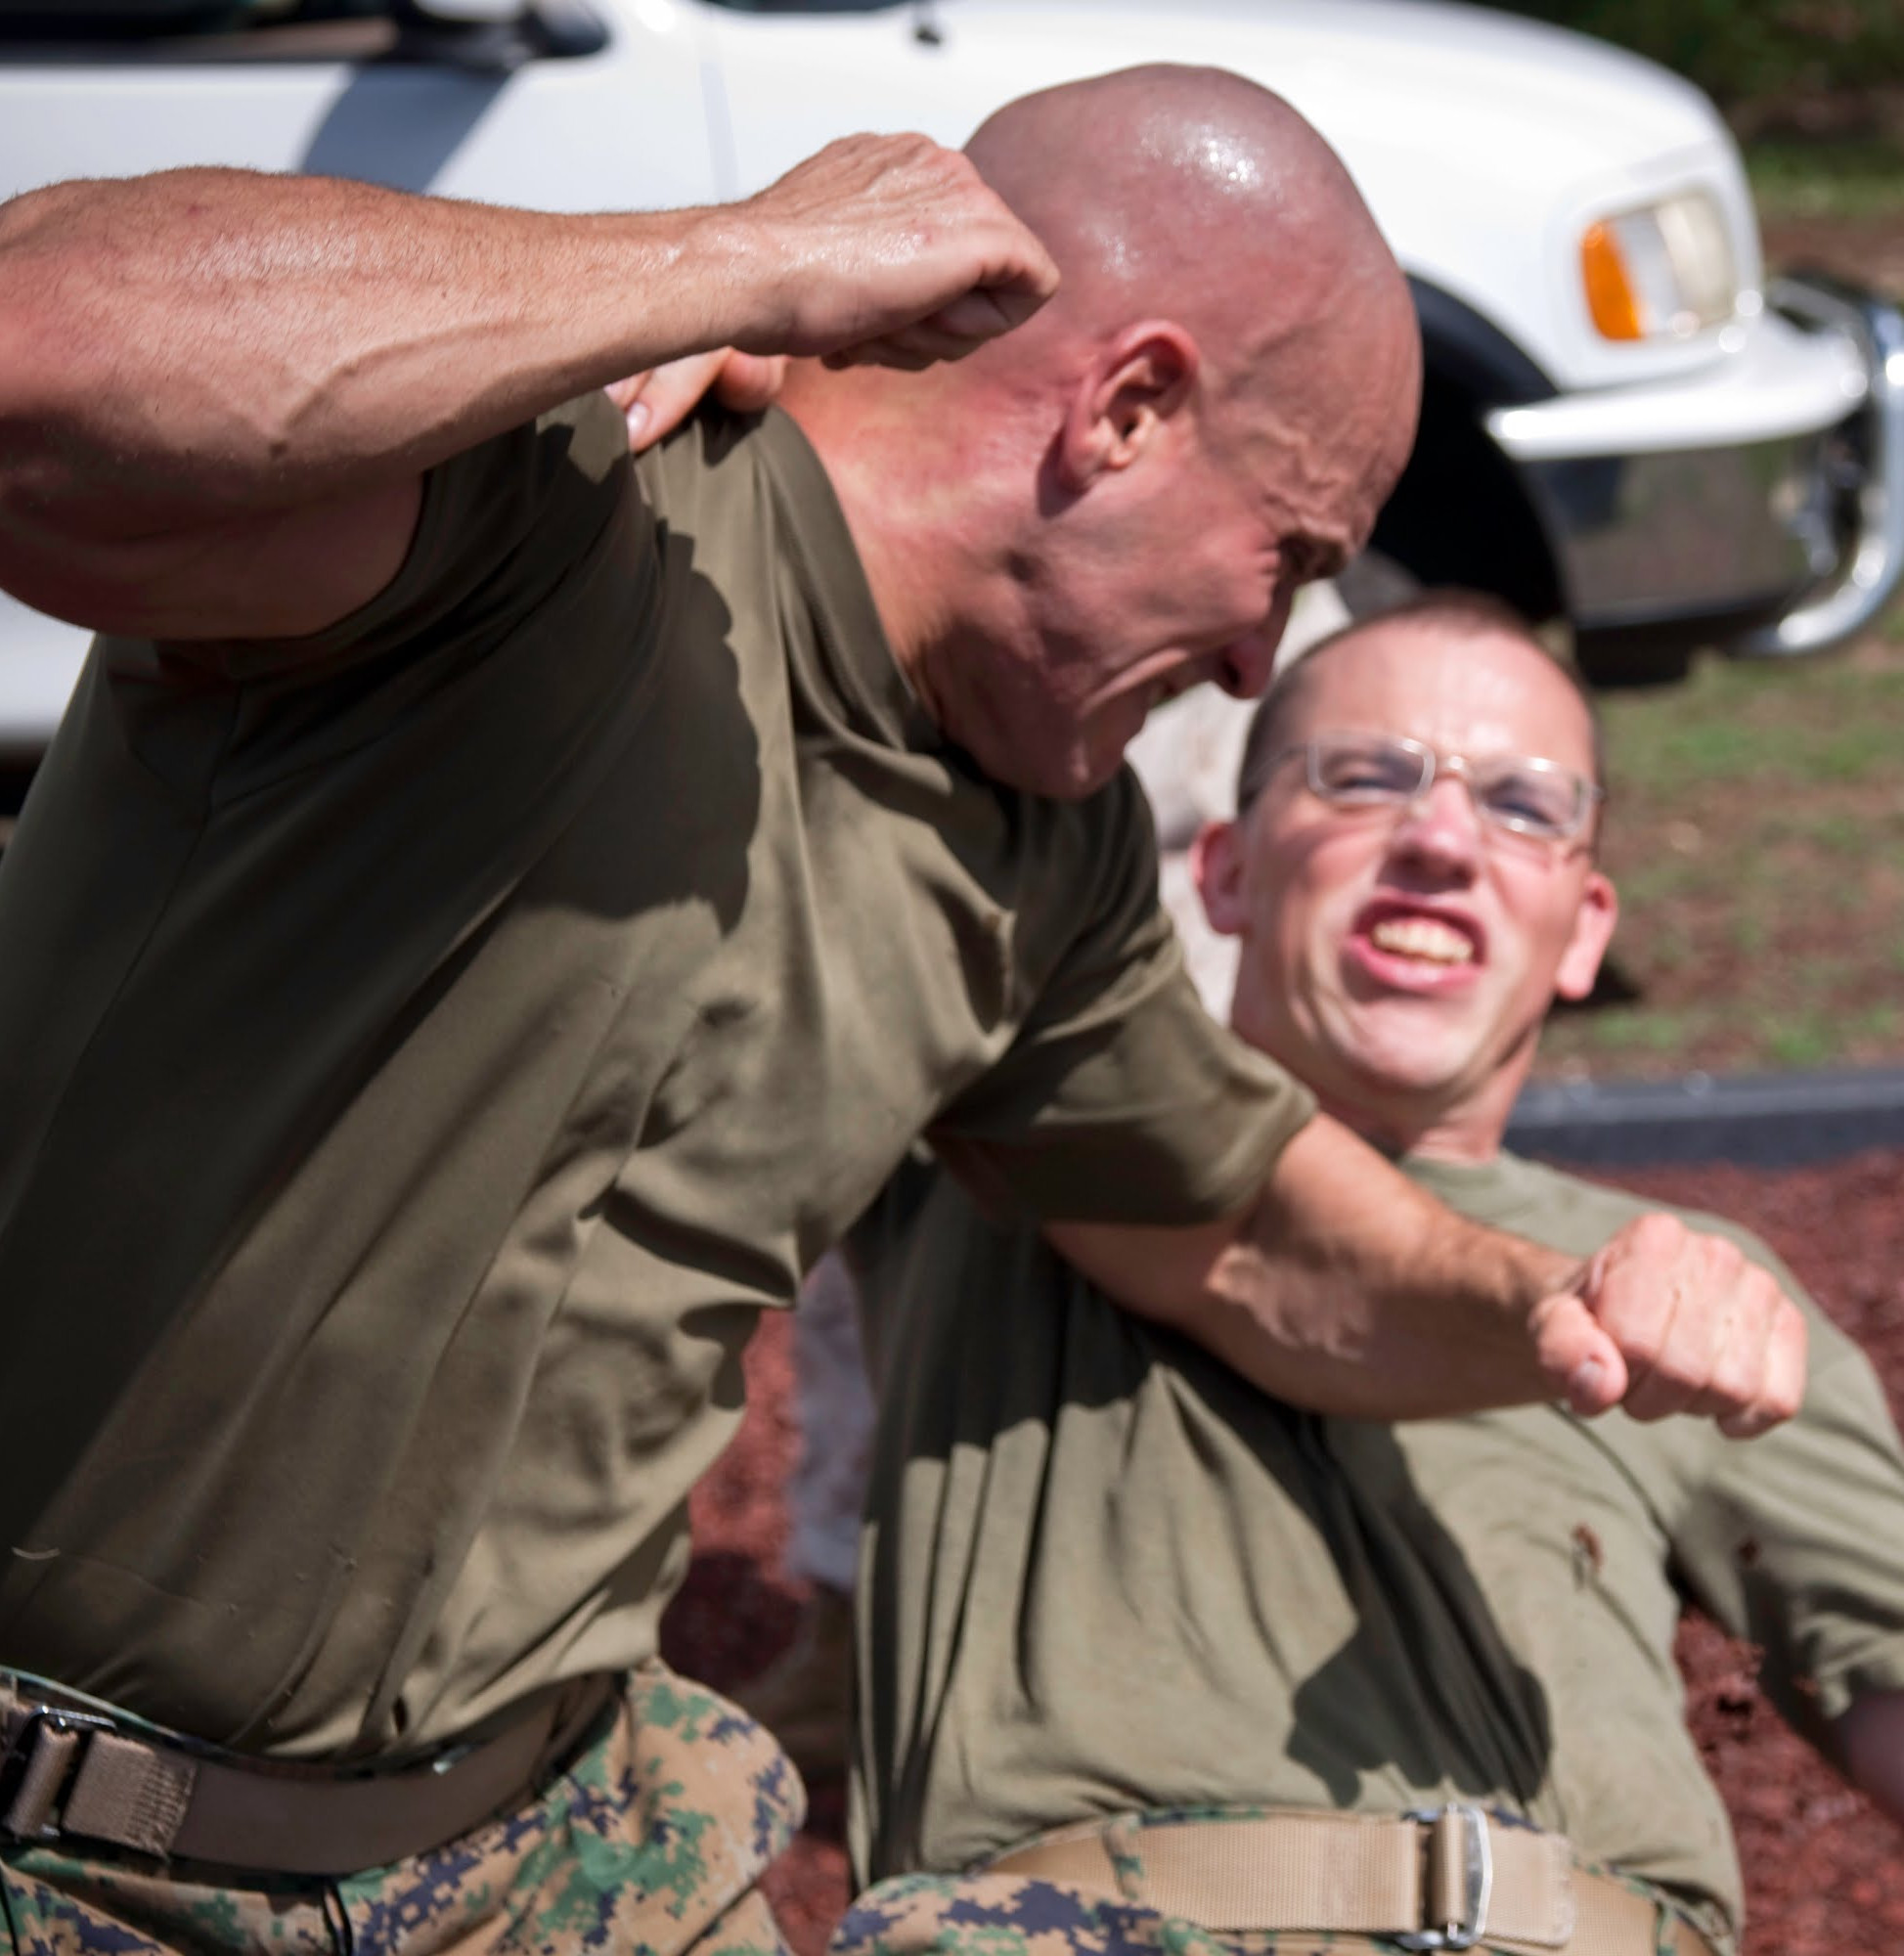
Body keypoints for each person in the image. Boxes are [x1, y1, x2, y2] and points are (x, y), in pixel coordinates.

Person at [0, 64, 1802, 1956]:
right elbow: (41, 345)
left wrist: (1554, 1303)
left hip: (541, 1847)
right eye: (1288, 559)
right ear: (1126, 409)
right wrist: (732, 261)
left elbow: (1251, 1234)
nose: (1270, 660)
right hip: (68, 1832)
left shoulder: (1045, 851)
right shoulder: (571, 509)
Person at [838, 594, 1904, 1956]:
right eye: (1366, 776)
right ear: (1220, 870)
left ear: (1585, 930)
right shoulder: (1005, 1133)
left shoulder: (1695, 1292)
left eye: (1524, 805)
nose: (1442, 840)